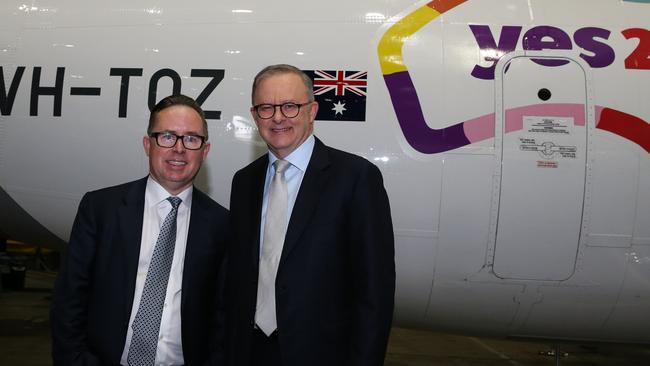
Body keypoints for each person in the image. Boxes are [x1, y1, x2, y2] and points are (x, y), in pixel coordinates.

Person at [226, 64, 395, 366]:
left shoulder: (356, 178)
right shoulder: (243, 181)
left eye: (290, 106)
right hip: (249, 351)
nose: (278, 117)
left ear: (312, 110)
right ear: (255, 116)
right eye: (266, 107)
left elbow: (374, 294)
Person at [51, 94, 228, 365]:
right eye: (167, 136)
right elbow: (70, 300)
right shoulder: (100, 210)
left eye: (192, 139)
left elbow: (223, 319)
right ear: (148, 144)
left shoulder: (222, 225)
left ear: (205, 151)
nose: (179, 148)